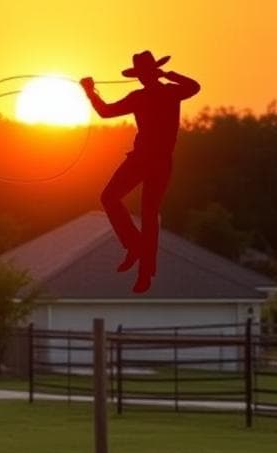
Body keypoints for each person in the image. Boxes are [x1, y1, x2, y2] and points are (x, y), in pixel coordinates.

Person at [81, 51, 200, 293]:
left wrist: (90, 91)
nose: (143, 79)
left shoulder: (152, 95)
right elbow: (193, 86)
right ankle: (141, 260)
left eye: (144, 74)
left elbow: (105, 111)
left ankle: (138, 254)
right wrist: (168, 75)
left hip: (146, 160)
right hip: (158, 161)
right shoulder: (169, 92)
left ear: (147, 75)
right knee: (140, 210)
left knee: (121, 203)